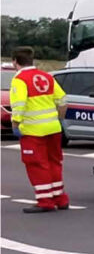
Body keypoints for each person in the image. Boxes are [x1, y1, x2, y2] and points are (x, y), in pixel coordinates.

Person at [9, 47, 70, 213]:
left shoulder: (19, 80)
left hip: (33, 131)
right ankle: (60, 198)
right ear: (32, 60)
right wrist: (59, 120)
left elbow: (19, 105)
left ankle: (45, 201)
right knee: (54, 162)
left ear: (15, 61)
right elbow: (63, 101)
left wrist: (15, 124)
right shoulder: (47, 77)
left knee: (36, 165)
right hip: (53, 129)